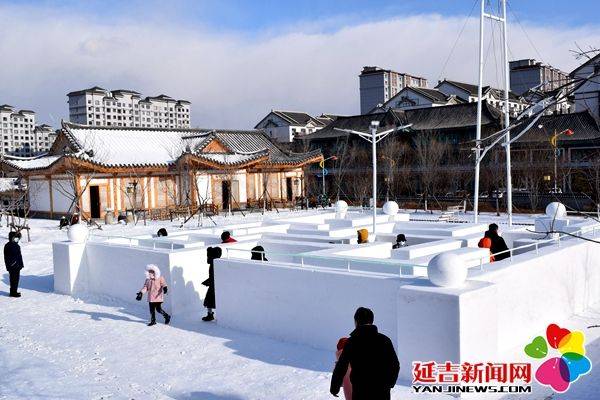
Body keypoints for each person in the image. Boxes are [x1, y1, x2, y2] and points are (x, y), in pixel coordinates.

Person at [331, 307, 400, 400]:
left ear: (356, 322)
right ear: (372, 321)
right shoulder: (384, 340)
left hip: (360, 391)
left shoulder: (352, 342)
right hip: (382, 391)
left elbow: (341, 366)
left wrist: (334, 388)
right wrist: (389, 383)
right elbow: (395, 365)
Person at [202, 246, 222, 321]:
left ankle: (210, 315)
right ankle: (210, 314)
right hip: (213, 285)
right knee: (210, 301)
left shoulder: (214, 264)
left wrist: (209, 281)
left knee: (209, 300)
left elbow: (214, 275)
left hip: (213, 286)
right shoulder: (215, 263)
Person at [4, 231, 24, 298]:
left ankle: (14, 291)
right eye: (16, 238)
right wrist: (13, 263)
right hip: (12, 266)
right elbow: (8, 257)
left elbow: (19, 256)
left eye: (18, 238)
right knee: (13, 279)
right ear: (12, 238)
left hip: (17, 266)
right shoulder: (8, 246)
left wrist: (21, 264)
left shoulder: (16, 245)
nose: (17, 239)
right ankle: (12, 292)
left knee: (16, 279)